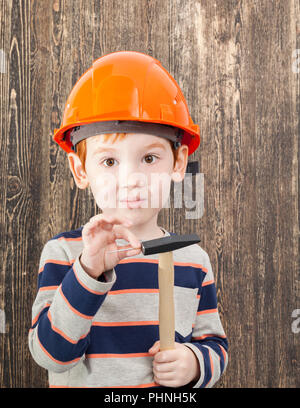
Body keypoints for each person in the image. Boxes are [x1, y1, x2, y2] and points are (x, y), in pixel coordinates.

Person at [28, 51, 228, 388]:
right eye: (109, 162)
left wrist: (194, 364)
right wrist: (88, 272)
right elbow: (50, 356)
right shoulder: (64, 254)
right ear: (80, 170)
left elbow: (215, 345)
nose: (131, 178)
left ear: (178, 164)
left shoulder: (194, 262)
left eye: (149, 158)